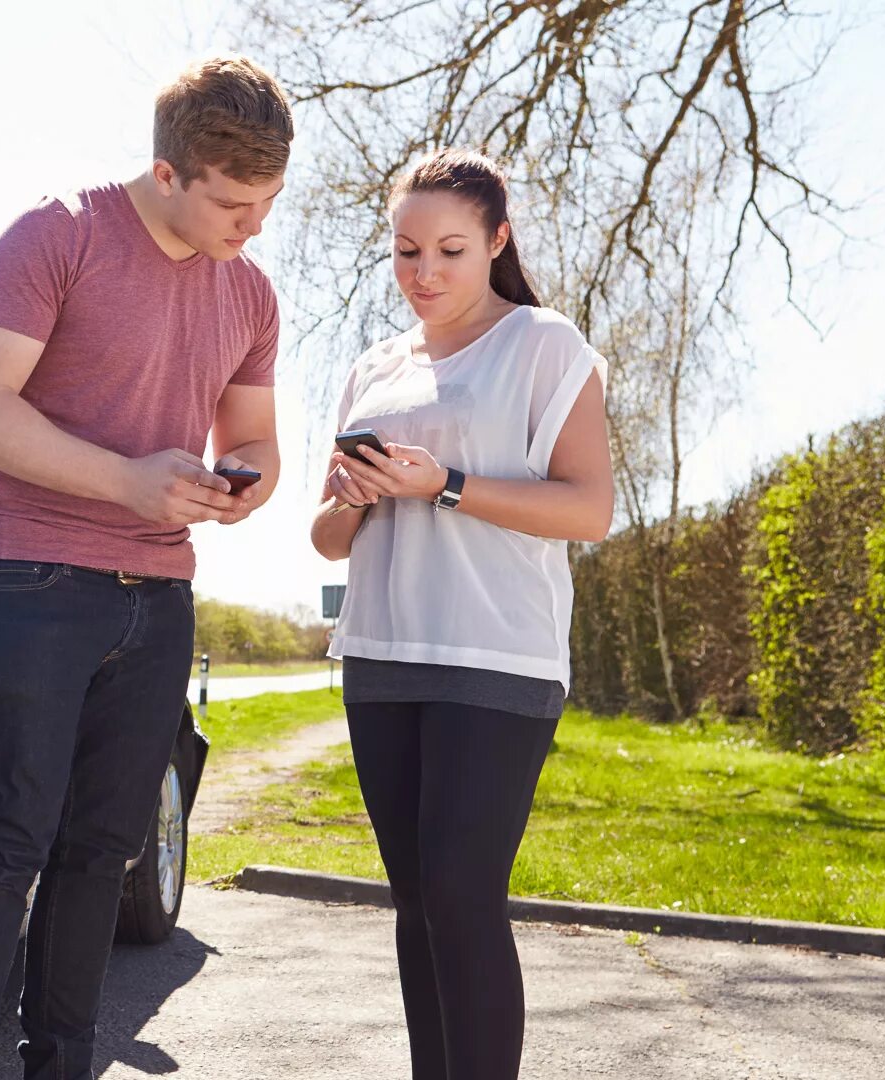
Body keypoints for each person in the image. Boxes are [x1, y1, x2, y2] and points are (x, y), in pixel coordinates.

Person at [0, 55, 292, 1080]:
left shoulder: (249, 292)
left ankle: (62, 1067)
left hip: (159, 597)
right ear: (167, 173)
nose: (250, 226)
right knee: (6, 844)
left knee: (103, 853)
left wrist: (243, 483)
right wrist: (126, 481)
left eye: (268, 203)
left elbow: (255, 437)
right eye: (233, 203)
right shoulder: (56, 237)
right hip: (34, 581)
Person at [310, 147, 615, 1080]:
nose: (424, 274)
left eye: (448, 250)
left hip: (500, 658)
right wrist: (363, 492)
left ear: (497, 241)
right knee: (416, 900)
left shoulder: (546, 345)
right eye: (406, 253)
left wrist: (446, 485)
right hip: (381, 653)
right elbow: (327, 539)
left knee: (462, 891)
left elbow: (587, 509)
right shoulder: (374, 366)